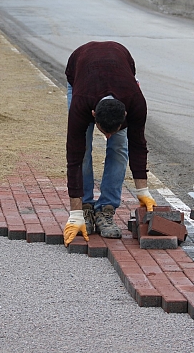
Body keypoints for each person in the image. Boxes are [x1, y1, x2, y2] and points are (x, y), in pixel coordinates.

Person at [63, 41, 156, 247]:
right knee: (83, 149)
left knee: (119, 147)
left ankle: (106, 210)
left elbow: (138, 145)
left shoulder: (135, 101)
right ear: (93, 115)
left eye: (111, 131)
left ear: (125, 114)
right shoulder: (82, 102)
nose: (107, 137)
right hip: (80, 71)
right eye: (104, 132)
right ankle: (86, 208)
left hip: (121, 68)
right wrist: (75, 213)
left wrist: (143, 191)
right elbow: (74, 156)